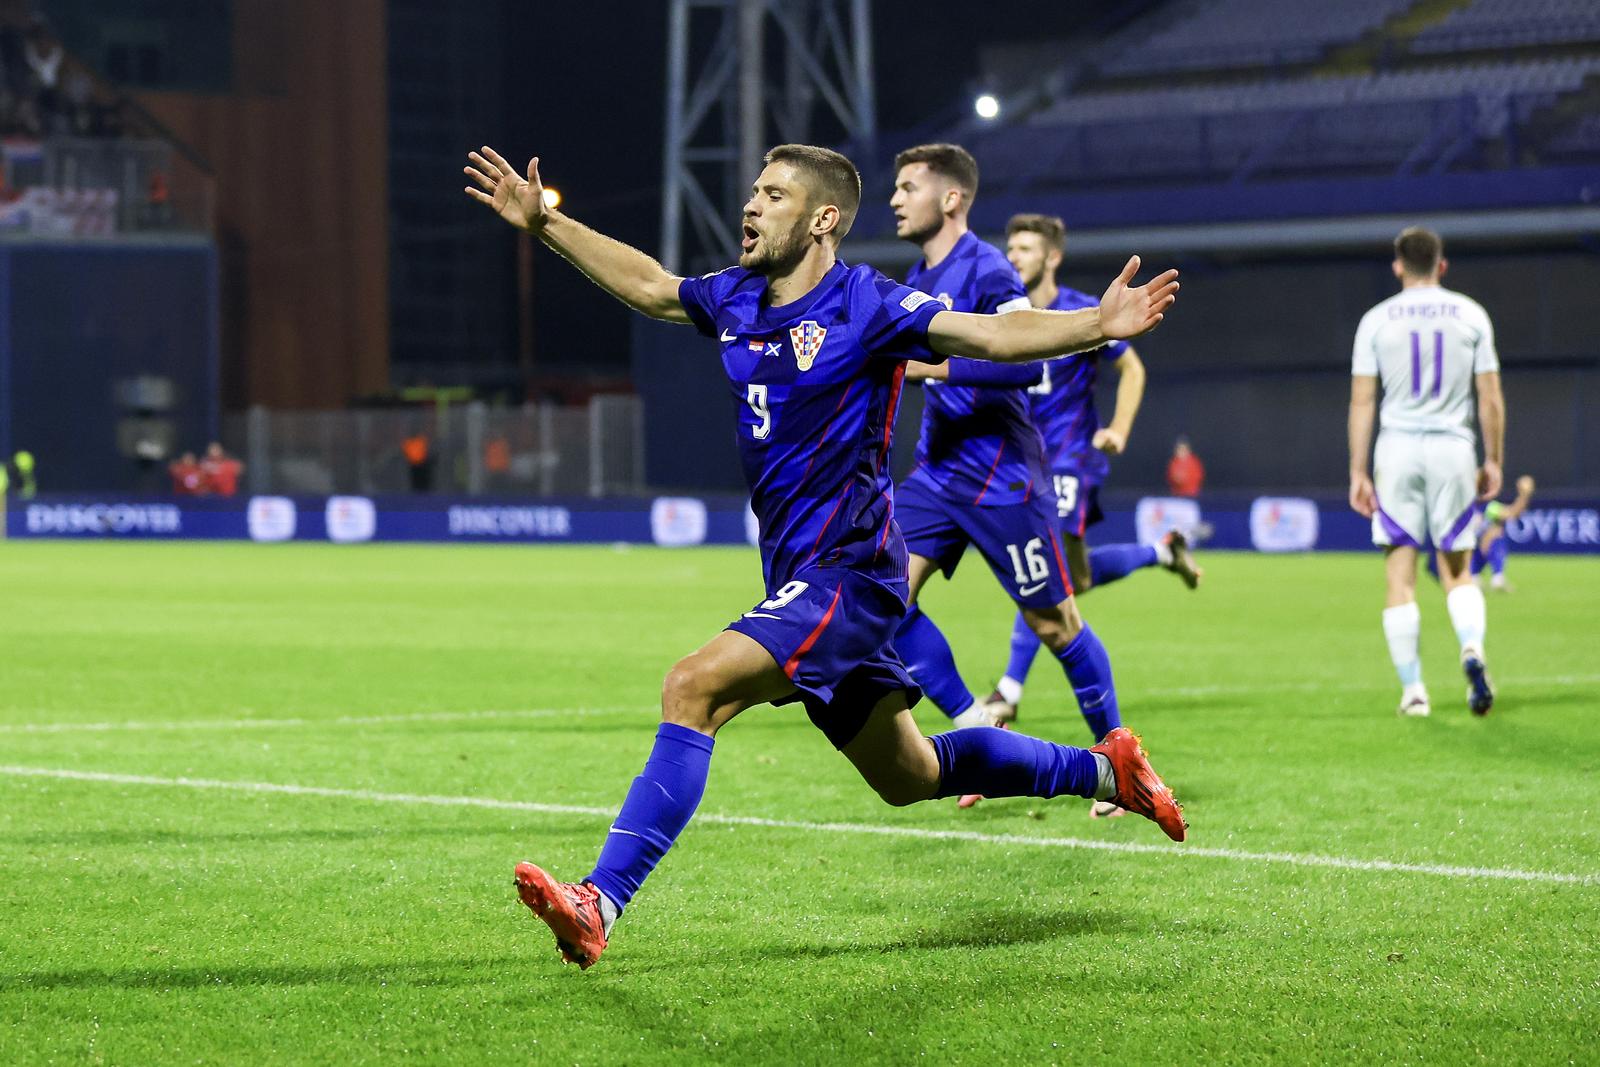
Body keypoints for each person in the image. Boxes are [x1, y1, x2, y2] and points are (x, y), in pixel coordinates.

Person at [464, 141, 1184, 969]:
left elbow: (987, 335)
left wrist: (1097, 324)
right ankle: (1107, 775)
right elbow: (653, 287)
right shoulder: (736, 296)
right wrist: (544, 221)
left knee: (694, 686)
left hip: (852, 575)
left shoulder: (867, 304)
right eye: (755, 192)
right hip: (803, 580)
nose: (752, 206)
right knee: (910, 772)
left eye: (773, 195)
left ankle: (600, 900)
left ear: (822, 219)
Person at [883, 146, 1159, 814]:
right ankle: (977, 722)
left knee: (1057, 622)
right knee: (883, 602)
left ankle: (1120, 761)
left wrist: (929, 368)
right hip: (937, 473)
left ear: (951, 199)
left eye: (907, 187)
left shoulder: (986, 267)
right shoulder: (917, 275)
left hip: (1002, 477)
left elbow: (1018, 367)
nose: (895, 198)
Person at [982, 214, 1202, 740]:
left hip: (1069, 458)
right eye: (1010, 246)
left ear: (1052, 256)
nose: (1014, 256)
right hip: (1018, 461)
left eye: (1026, 248)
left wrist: (1119, 428)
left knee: (1046, 567)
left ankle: (1008, 690)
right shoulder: (1000, 314)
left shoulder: (1084, 312)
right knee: (1072, 580)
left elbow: (1133, 368)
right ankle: (1162, 552)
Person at [1348, 226, 1504, 718]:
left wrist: (1358, 469)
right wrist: (1493, 459)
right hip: (1453, 448)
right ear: (1441, 265)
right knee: (1458, 571)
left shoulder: (1375, 320)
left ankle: (1415, 691)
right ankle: (1472, 649)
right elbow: (1490, 396)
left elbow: (1362, 401)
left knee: (1401, 576)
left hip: (1397, 450)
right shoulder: (1471, 314)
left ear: (1398, 266)